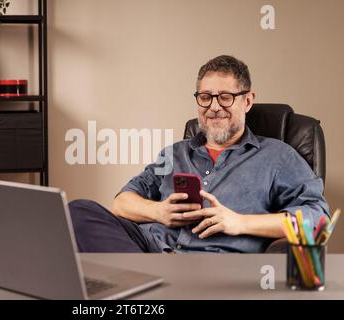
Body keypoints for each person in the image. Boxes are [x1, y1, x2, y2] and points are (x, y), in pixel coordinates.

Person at [69, 55, 330, 253]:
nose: (214, 107)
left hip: (213, 262)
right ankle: (149, 284)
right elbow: (122, 202)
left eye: (225, 97)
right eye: (205, 97)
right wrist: (159, 211)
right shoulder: (174, 154)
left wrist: (239, 223)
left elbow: (317, 220)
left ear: (247, 101)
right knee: (78, 211)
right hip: (150, 251)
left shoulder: (278, 156)